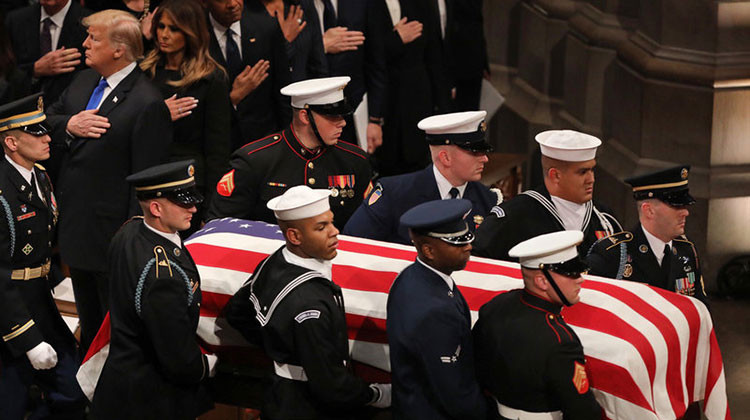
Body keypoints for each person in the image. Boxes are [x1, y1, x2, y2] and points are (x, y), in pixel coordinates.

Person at [45, 9, 174, 355]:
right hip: (76, 232)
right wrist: (70, 124)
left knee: (115, 336)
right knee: (90, 332)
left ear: (119, 49)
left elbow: (146, 185)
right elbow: (48, 118)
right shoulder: (85, 81)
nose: (84, 44)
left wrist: (130, 243)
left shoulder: (147, 102)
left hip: (112, 240)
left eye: (94, 38)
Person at [227, 185, 391, 418]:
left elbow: (237, 313)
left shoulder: (274, 261)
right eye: (321, 227)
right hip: (307, 405)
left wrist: (280, 344)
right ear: (294, 236)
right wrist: (377, 394)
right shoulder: (309, 303)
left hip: (280, 392)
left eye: (332, 222)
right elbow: (331, 385)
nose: (335, 232)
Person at [91, 160, 218, 419]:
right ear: (157, 208)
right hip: (151, 399)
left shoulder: (130, 232)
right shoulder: (163, 276)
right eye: (183, 203)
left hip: (120, 383)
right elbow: (176, 356)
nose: (194, 208)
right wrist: (205, 366)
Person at [0, 93, 86, 419]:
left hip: (41, 302)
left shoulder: (40, 177)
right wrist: (27, 338)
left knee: (71, 392)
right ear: (11, 142)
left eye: (45, 130)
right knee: (12, 404)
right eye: (36, 133)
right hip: (10, 314)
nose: (48, 137)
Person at [207, 76, 371, 230]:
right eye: (332, 117)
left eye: (342, 115)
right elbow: (219, 224)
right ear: (305, 116)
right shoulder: (256, 160)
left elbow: (365, 226)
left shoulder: (354, 161)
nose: (342, 122)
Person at [473, 230, 602, 419]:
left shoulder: (497, 305)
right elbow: (582, 411)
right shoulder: (560, 341)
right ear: (542, 281)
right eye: (571, 273)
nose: (580, 279)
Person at [388, 199, 497, 419]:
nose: (468, 246)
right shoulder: (434, 311)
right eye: (457, 242)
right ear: (429, 250)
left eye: (467, 238)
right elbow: (455, 391)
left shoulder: (412, 276)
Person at [140, 0, 232, 236]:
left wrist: (213, 209)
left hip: (188, 186)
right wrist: (159, 115)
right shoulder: (144, 72)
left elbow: (217, 150)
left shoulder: (210, 79)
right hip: (147, 179)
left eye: (174, 29)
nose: (164, 35)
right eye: (160, 27)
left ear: (191, 32)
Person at [344, 110, 498, 245]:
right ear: (446, 158)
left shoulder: (489, 200)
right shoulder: (394, 194)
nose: (485, 159)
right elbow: (353, 244)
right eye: (475, 152)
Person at [473, 129, 622, 261]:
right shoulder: (515, 215)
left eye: (592, 170)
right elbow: (478, 263)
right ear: (555, 175)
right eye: (582, 172)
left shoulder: (604, 218)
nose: (591, 179)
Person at [586, 165, 709, 305]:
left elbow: (701, 309)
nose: (685, 213)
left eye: (685, 206)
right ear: (649, 211)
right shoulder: (614, 253)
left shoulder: (687, 250)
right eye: (676, 206)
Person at [374, 0, 450, 176]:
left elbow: (435, 60)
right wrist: (395, 40)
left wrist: (446, 118)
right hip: (379, 108)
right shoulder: (365, 5)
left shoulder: (423, 4)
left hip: (417, 106)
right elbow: (362, 55)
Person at [203, 0, 292, 149]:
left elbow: (283, 91)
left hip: (264, 140)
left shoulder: (266, 27)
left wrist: (288, 142)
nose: (232, 4)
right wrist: (232, 98)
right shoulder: (194, 34)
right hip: (218, 146)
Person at [316, 0, 390, 153]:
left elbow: (376, 61)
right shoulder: (298, 5)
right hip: (311, 114)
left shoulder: (361, 4)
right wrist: (321, 46)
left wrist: (375, 119)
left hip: (355, 111)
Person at [4, 0, 90, 107]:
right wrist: (35, 70)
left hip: (71, 110)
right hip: (23, 109)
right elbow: (5, 73)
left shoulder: (89, 22)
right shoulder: (15, 20)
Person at [248, 0, 328, 82]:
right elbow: (261, 72)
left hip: (307, 90)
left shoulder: (302, 4)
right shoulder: (245, 15)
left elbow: (319, 66)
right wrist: (285, 40)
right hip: (275, 91)